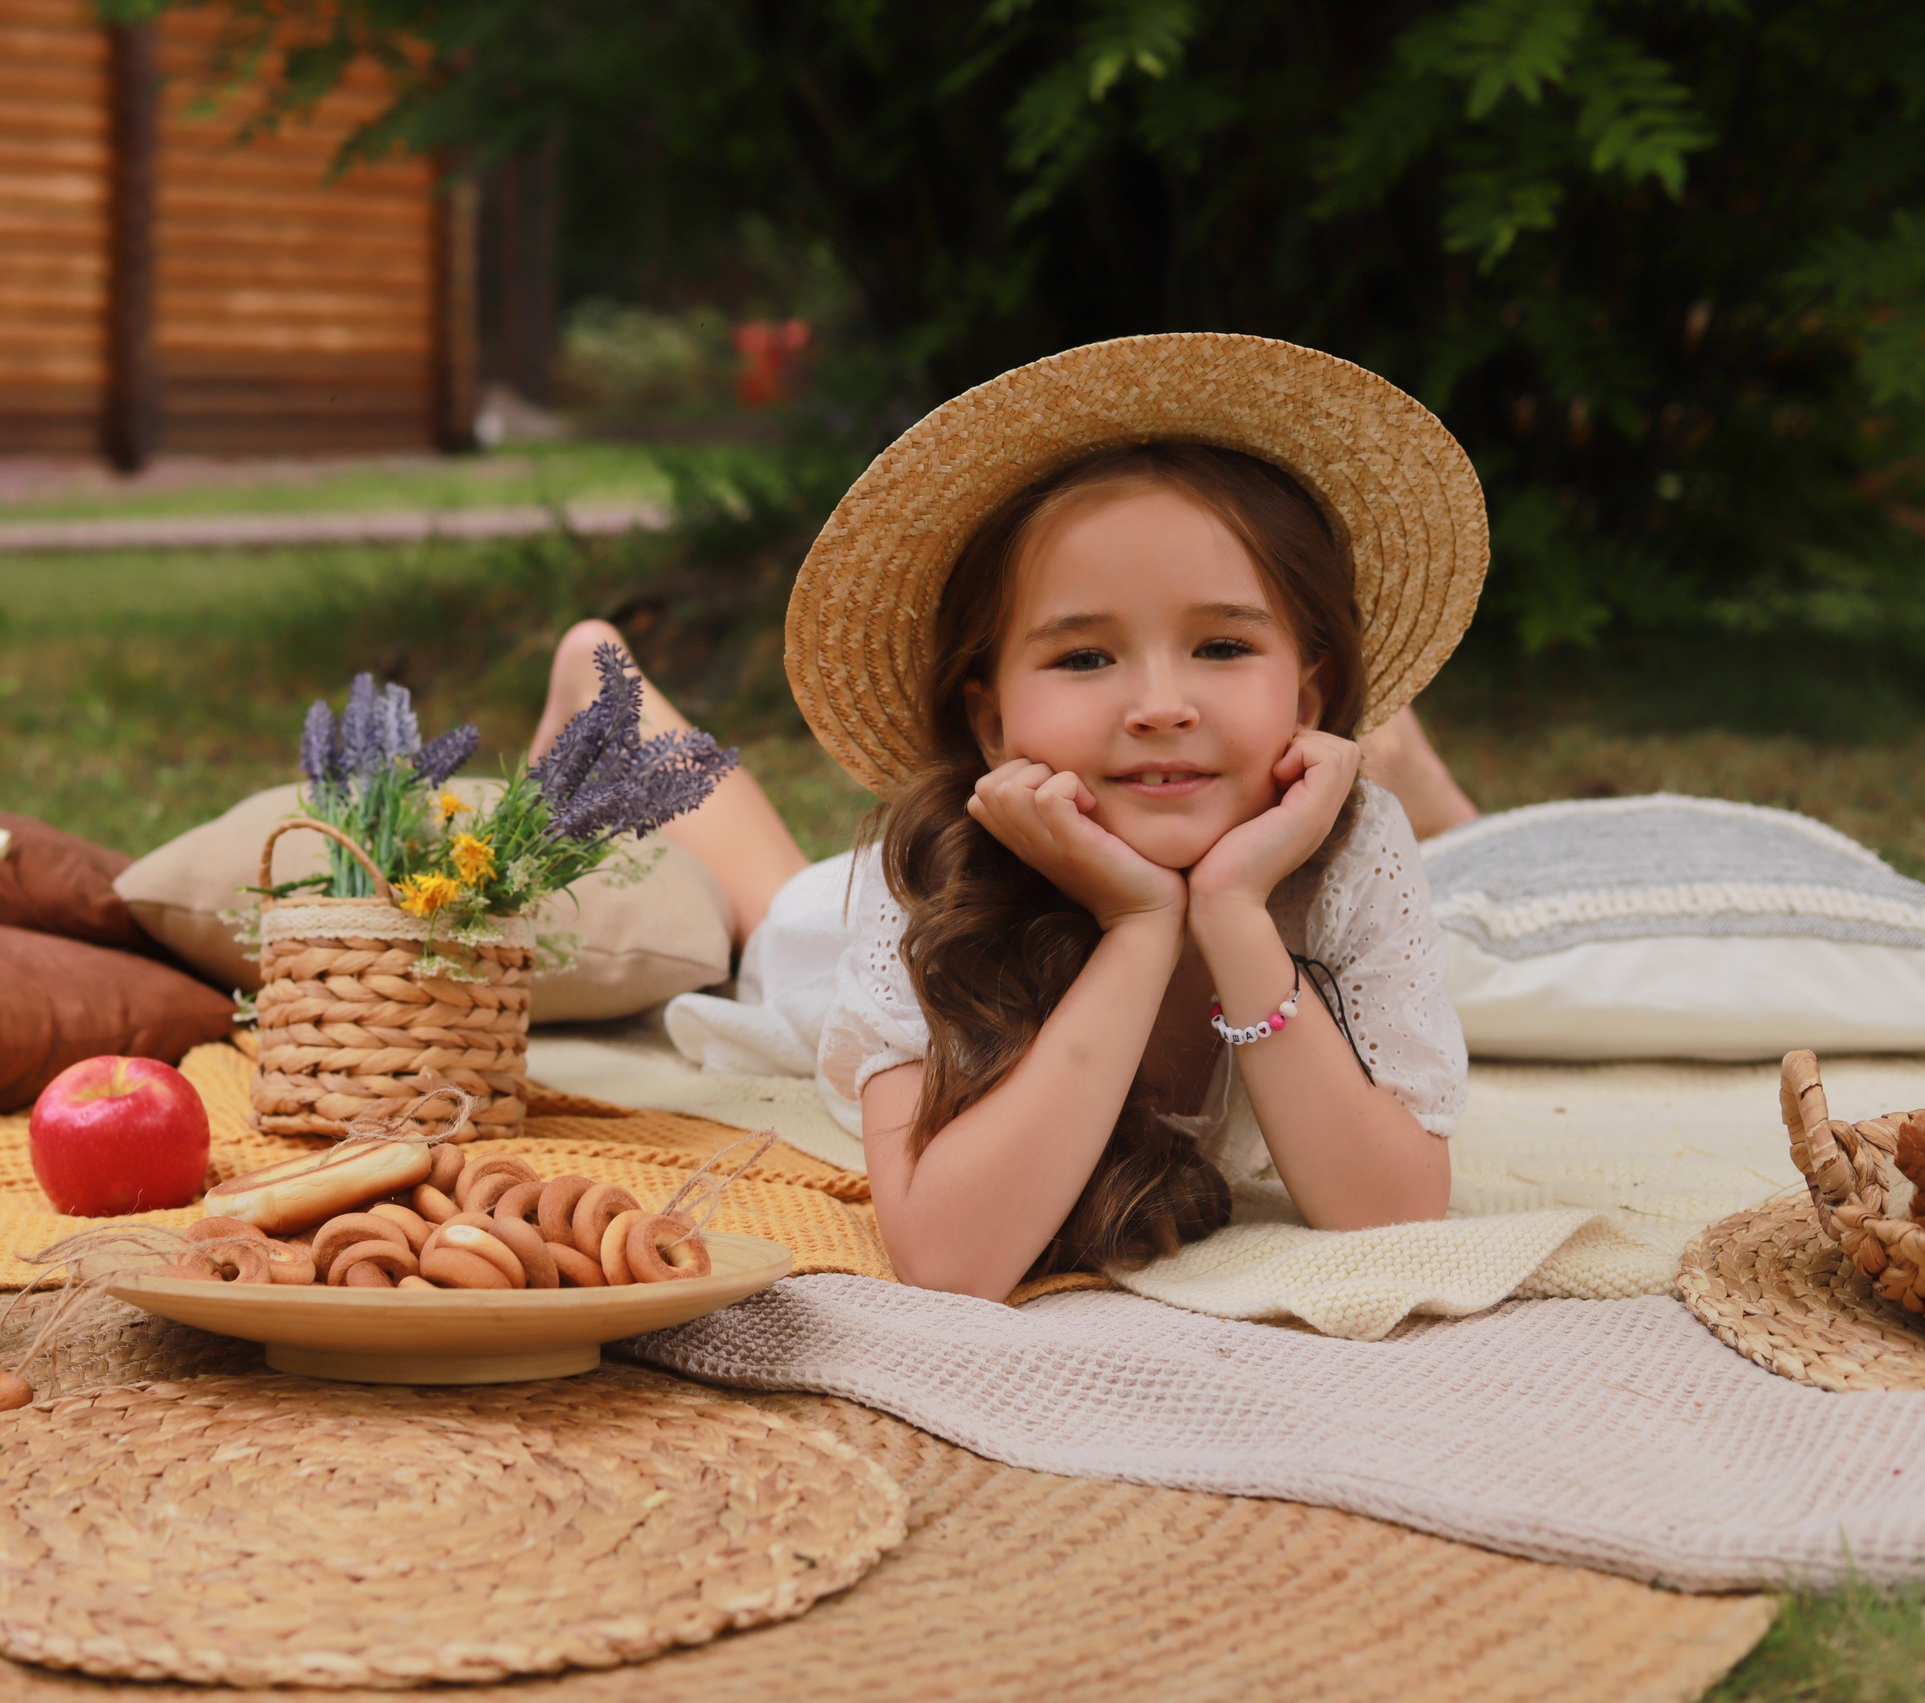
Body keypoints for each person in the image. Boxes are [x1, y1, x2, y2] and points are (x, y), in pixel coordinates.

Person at [538, 335, 1489, 1302]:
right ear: (992, 723)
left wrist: (1235, 912)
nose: (1161, 706)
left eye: (1222, 646)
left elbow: (1390, 1213)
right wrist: (1141, 925)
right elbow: (950, 1258)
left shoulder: (1349, 848)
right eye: (1084, 658)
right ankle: (597, 684)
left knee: (767, 872)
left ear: (1310, 697)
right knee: (768, 901)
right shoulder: (929, 875)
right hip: (839, 935)